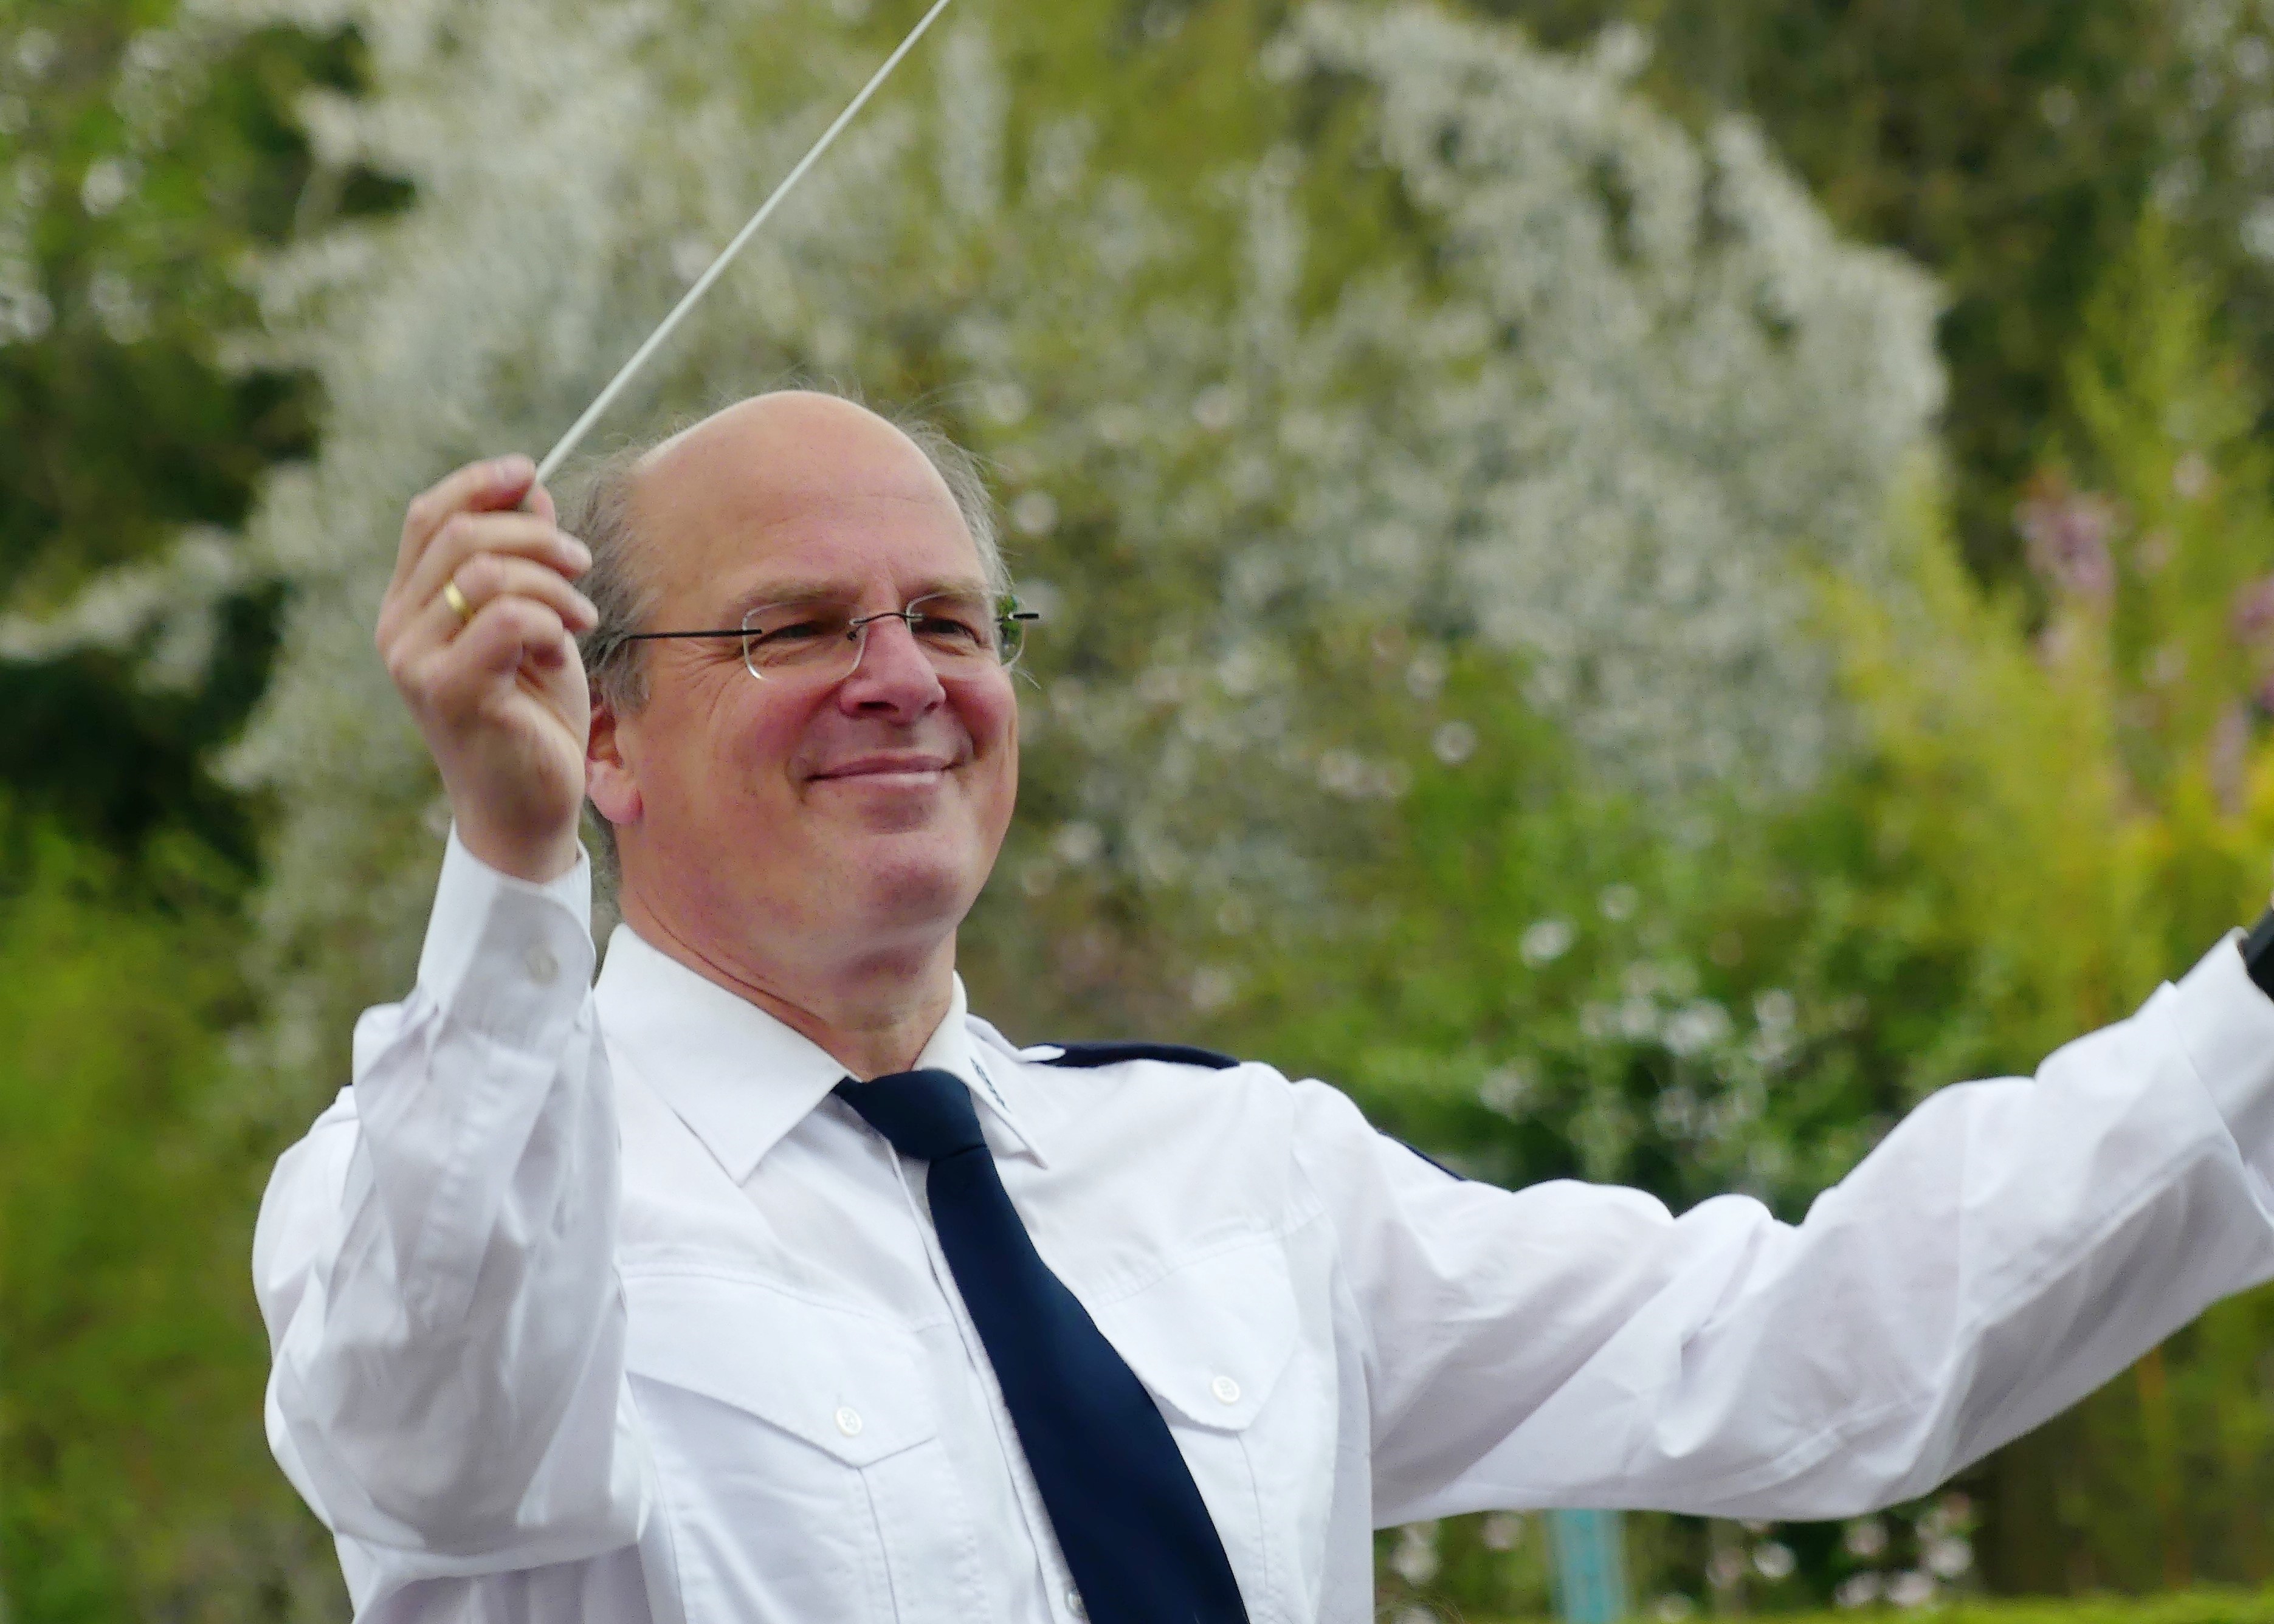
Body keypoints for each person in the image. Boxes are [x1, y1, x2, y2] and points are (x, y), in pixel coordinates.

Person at [256, 389, 2274, 1624]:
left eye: (951, 618)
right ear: (602, 735)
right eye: (795, 628)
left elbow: (1809, 1350)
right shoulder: (433, 1191)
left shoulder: (1234, 1168)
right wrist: (504, 863)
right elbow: (449, 1457)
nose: (905, 677)